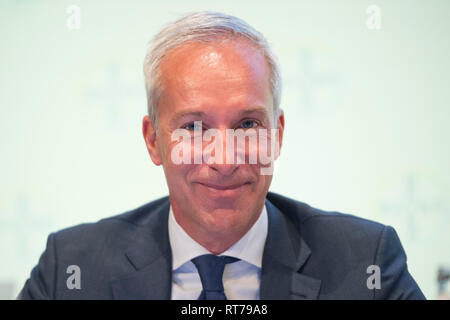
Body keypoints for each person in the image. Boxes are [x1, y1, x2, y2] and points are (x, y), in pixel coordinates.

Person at [18, 11, 425, 300]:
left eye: (248, 125)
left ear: (277, 135)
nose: (225, 160)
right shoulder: (70, 269)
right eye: (194, 128)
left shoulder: (365, 263)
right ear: (152, 140)